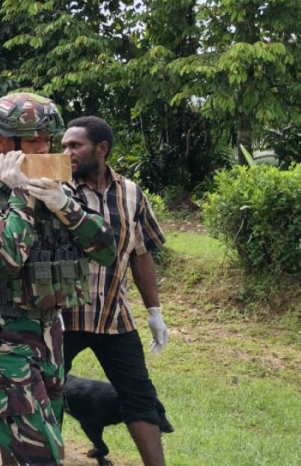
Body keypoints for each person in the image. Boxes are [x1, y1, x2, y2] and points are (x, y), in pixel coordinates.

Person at [0, 92, 116, 465]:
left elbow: (107, 250)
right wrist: (20, 196)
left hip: (50, 330)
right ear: (1, 142)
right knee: (37, 450)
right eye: (33, 140)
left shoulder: (55, 187)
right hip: (4, 335)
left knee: (49, 435)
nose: (44, 149)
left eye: (47, 140)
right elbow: (5, 258)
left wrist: (66, 208)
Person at [61, 116, 170, 466]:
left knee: (139, 395)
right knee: (47, 390)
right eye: (63, 146)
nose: (67, 152)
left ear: (101, 149)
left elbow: (141, 254)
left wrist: (155, 312)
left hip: (113, 316)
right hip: (62, 315)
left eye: (75, 146)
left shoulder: (132, 193)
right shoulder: (57, 188)